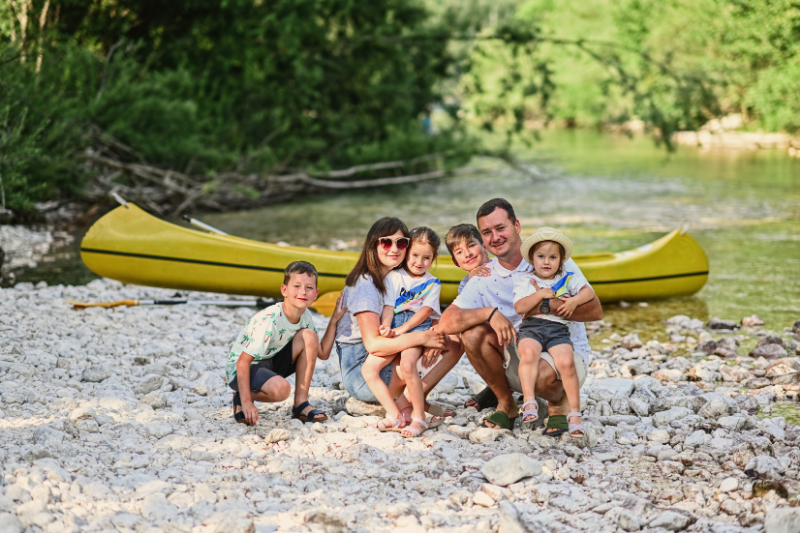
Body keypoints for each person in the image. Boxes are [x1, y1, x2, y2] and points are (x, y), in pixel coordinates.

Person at [439, 198, 603, 435]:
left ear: (516, 226)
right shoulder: (484, 276)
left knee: (543, 375)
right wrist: (489, 313)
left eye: (500, 228)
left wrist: (542, 307)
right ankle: (506, 404)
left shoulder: (548, 257)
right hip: (520, 354)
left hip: (561, 352)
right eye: (487, 232)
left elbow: (595, 311)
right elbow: (446, 322)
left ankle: (558, 403)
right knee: (472, 333)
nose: (495, 237)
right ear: (483, 239)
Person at [335, 217, 462, 434]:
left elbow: (426, 311)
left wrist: (431, 331)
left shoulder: (425, 282)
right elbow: (380, 331)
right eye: (386, 242)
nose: (395, 249)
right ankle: (409, 408)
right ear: (373, 244)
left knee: (430, 350)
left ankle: (410, 412)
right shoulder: (373, 282)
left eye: (400, 243)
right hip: (361, 372)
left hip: (402, 332)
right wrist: (409, 334)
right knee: (448, 346)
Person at [226, 261, 344, 426]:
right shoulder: (270, 321)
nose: (303, 292)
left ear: (316, 293)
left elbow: (322, 353)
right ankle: (241, 396)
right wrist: (247, 402)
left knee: (309, 336)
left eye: (309, 287)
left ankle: (300, 405)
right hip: (244, 370)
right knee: (282, 390)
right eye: (296, 286)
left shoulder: (306, 316)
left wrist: (334, 319)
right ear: (284, 290)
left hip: (271, 361)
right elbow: (242, 362)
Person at [513, 227, 596, 436]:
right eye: (541, 256)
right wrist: (540, 295)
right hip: (532, 327)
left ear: (561, 260)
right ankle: (530, 401)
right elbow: (520, 308)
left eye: (553, 257)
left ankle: (575, 415)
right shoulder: (524, 279)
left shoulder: (568, 278)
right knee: (529, 353)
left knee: (566, 362)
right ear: (532, 258)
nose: (546, 262)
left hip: (558, 329)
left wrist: (575, 300)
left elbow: (589, 291)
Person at [362, 227, 442, 437]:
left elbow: (426, 311)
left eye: (426, 257)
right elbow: (388, 306)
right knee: (368, 369)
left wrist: (404, 330)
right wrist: (386, 327)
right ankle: (394, 414)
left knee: (408, 365)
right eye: (415, 255)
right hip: (395, 323)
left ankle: (418, 418)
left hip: (416, 326)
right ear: (407, 252)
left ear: (434, 258)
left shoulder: (432, 283)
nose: (419, 261)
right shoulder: (395, 277)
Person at [444, 223, 491, 295]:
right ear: (456, 262)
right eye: (459, 252)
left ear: (485, 247)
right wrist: (472, 282)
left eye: (471, 245)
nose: (467, 254)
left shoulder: (504, 263)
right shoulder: (465, 285)